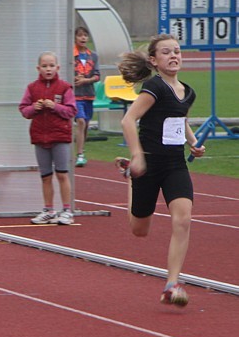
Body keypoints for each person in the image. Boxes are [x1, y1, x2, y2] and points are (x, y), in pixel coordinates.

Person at [116, 34, 205, 307]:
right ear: (154, 60)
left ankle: (172, 283)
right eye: (166, 52)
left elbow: (180, 117)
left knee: (183, 219)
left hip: (175, 165)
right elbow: (128, 120)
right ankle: (131, 177)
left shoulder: (187, 91)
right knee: (139, 230)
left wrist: (192, 142)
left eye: (177, 51)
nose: (174, 55)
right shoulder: (153, 87)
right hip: (149, 164)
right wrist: (137, 156)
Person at [19, 52, 78, 225]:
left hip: (60, 136)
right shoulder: (32, 88)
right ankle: (48, 209)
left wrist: (55, 106)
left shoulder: (65, 88)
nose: (48, 69)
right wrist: (33, 108)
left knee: (62, 174)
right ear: (39, 68)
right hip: (39, 137)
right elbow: (24, 110)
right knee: (45, 176)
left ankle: (67, 210)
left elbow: (71, 111)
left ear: (57, 67)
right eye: (44, 66)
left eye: (51, 65)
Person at [73, 26, 100, 167]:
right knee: (81, 121)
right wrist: (74, 79)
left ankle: (80, 148)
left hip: (88, 95)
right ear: (75, 38)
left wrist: (86, 80)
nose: (83, 38)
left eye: (85, 35)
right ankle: (79, 155)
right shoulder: (71, 55)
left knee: (85, 125)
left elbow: (97, 75)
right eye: (80, 35)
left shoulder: (93, 55)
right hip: (75, 95)